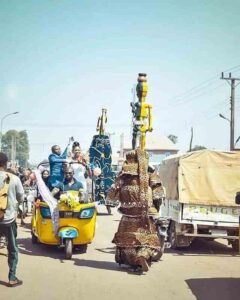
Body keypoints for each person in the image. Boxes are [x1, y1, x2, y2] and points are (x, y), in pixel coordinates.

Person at [0, 152, 24, 287]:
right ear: (6, 163)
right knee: (13, 249)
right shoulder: (14, 179)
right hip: (8, 220)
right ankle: (12, 277)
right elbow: (21, 197)